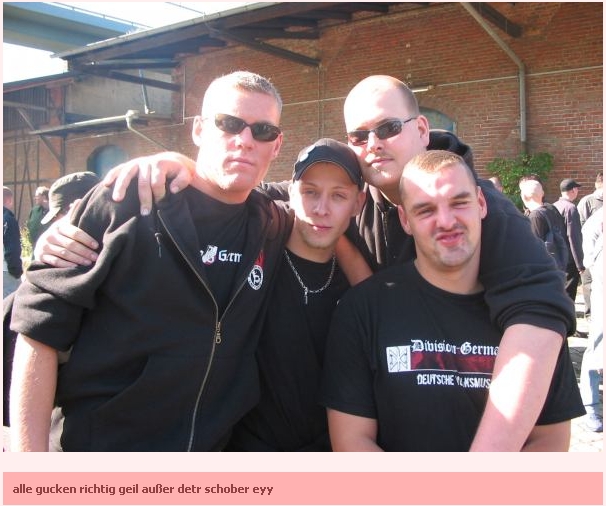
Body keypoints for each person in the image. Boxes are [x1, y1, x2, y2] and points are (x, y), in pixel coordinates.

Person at [35, 74, 575, 450]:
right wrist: (175, 168)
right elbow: (266, 190)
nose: (372, 144)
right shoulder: (307, 208)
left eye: (388, 128)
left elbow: (540, 311)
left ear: (421, 131)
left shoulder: (481, 207)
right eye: (359, 135)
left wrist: (483, 476)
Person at [9, 70, 292, 452]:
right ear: (198, 129)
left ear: (276, 145)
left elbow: (334, 197)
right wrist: (31, 469)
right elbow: (38, 330)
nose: (244, 140)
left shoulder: (271, 222)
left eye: (262, 131)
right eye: (229, 124)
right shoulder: (125, 198)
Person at [319, 150, 585, 451]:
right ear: (405, 219)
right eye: (425, 210)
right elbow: (352, 443)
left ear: (481, 204)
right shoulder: (363, 310)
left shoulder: (531, 317)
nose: (446, 221)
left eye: (459, 203)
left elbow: (550, 442)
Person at [225, 138, 366, 451]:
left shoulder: (358, 283)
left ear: (358, 204)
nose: (321, 209)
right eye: (310, 192)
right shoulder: (255, 250)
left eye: (338, 196)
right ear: (290, 192)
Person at [579, 210, 603, 432]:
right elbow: (589, 260)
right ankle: (591, 406)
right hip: (603, 293)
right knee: (597, 348)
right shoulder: (597, 222)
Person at [519, 178, 569, 273]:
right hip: (557, 265)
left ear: (524, 196)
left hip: (543, 271)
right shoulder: (550, 208)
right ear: (542, 193)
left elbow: (533, 250)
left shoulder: (535, 216)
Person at [553, 178, 585, 302]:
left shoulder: (554, 205)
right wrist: (579, 264)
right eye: (577, 188)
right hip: (569, 259)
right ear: (573, 190)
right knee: (568, 295)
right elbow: (573, 236)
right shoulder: (571, 208)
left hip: (557, 256)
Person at [578, 171, 603, 320]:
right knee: (589, 284)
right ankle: (590, 314)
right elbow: (582, 227)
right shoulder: (588, 201)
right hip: (590, 252)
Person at [3, 186, 23, 298]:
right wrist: (16, 271)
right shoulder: (8, 219)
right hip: (7, 271)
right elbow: (12, 249)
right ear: (9, 200)